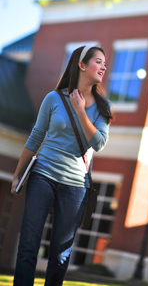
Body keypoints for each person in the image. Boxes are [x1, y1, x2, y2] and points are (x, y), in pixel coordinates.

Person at [11, 45, 113, 286]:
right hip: (43, 175)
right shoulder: (53, 98)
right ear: (81, 64)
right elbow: (36, 137)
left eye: (104, 63)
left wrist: (80, 112)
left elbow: (98, 144)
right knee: (28, 244)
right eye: (98, 61)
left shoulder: (102, 107)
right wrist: (17, 175)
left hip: (76, 185)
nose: (104, 67)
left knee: (60, 254)